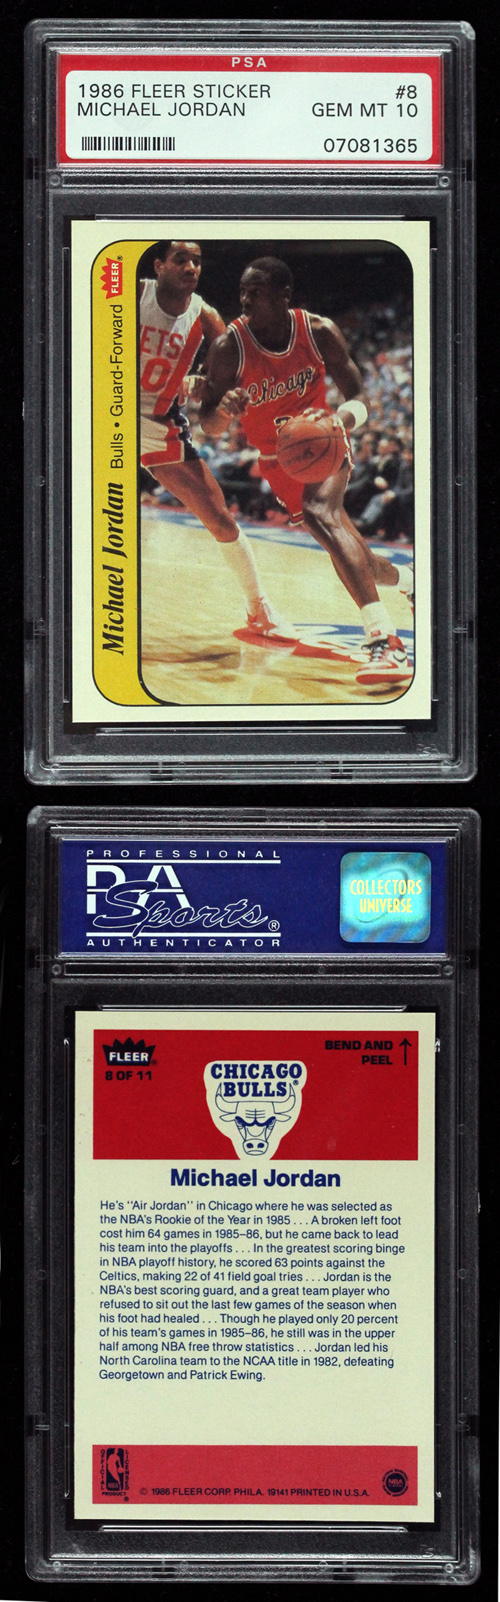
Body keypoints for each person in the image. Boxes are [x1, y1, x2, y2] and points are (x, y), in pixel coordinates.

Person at [199, 256, 413, 686]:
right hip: (277, 461)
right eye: (243, 292)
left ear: (284, 296)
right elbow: (209, 423)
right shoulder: (229, 347)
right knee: (356, 556)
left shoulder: (318, 331)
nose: (246, 300)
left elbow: (359, 397)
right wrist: (224, 410)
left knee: (321, 513)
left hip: (324, 442)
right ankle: (410, 581)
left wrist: (338, 422)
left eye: (256, 292)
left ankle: (384, 641)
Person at [139, 240, 295, 642]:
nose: (191, 267)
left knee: (220, 516)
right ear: (158, 266)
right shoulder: (129, 296)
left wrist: (204, 383)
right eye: (180, 260)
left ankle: (259, 608)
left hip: (158, 421)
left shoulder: (206, 316)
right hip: (103, 412)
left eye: (197, 261)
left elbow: (231, 370)